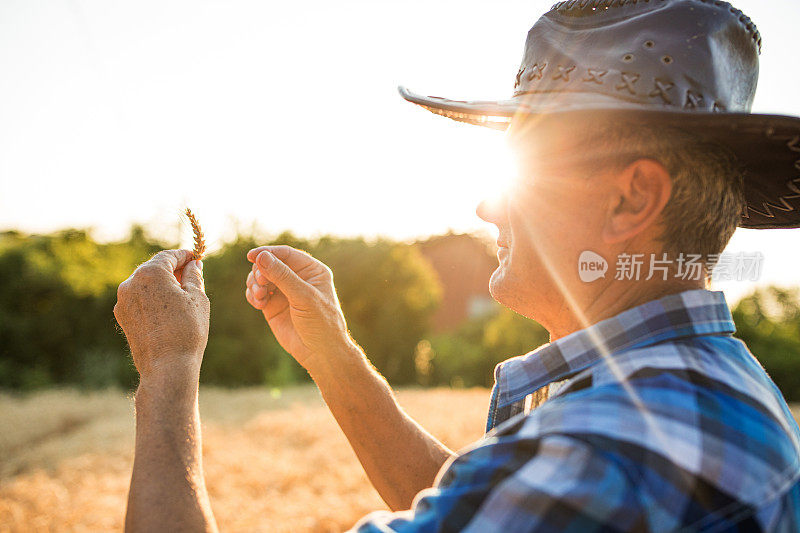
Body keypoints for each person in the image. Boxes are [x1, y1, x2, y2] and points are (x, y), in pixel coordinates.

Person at [114, 1, 800, 531]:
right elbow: (485, 503)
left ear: (631, 198)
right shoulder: (708, 391)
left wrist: (168, 370)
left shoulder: (610, 448)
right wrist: (335, 356)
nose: (487, 206)